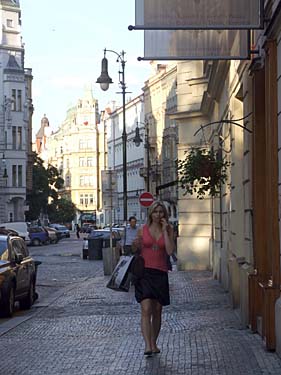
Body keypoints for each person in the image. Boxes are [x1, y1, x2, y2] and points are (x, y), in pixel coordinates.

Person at [132, 201, 174, 357]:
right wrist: (135, 245)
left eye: (161, 212)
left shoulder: (169, 229)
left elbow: (169, 251)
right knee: (146, 308)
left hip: (160, 272)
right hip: (144, 273)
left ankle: (154, 343)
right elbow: (135, 249)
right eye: (155, 212)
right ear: (150, 213)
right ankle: (147, 345)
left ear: (164, 214)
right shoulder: (142, 230)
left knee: (157, 310)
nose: (158, 215)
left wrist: (164, 231)